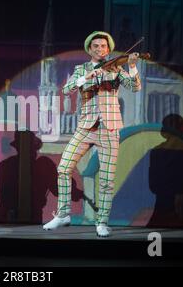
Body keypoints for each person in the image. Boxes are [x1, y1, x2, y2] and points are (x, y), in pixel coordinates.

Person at [42, 31, 141, 237]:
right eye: (95, 46)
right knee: (63, 168)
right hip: (86, 127)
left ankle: (102, 222)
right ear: (89, 49)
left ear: (109, 49)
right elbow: (67, 90)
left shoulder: (116, 68)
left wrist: (132, 67)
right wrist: (85, 78)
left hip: (110, 128)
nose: (99, 49)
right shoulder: (81, 69)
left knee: (106, 180)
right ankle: (63, 214)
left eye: (103, 46)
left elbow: (135, 88)